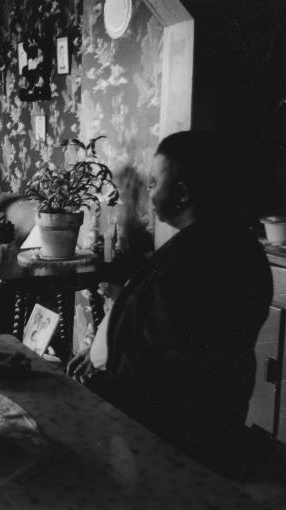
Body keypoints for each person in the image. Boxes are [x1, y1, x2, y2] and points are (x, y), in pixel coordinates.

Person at [66, 131, 272, 476]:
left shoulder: (204, 258)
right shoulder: (205, 242)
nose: (148, 193)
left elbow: (163, 360)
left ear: (182, 193)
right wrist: (100, 350)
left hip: (174, 433)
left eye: (152, 183)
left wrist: (98, 389)